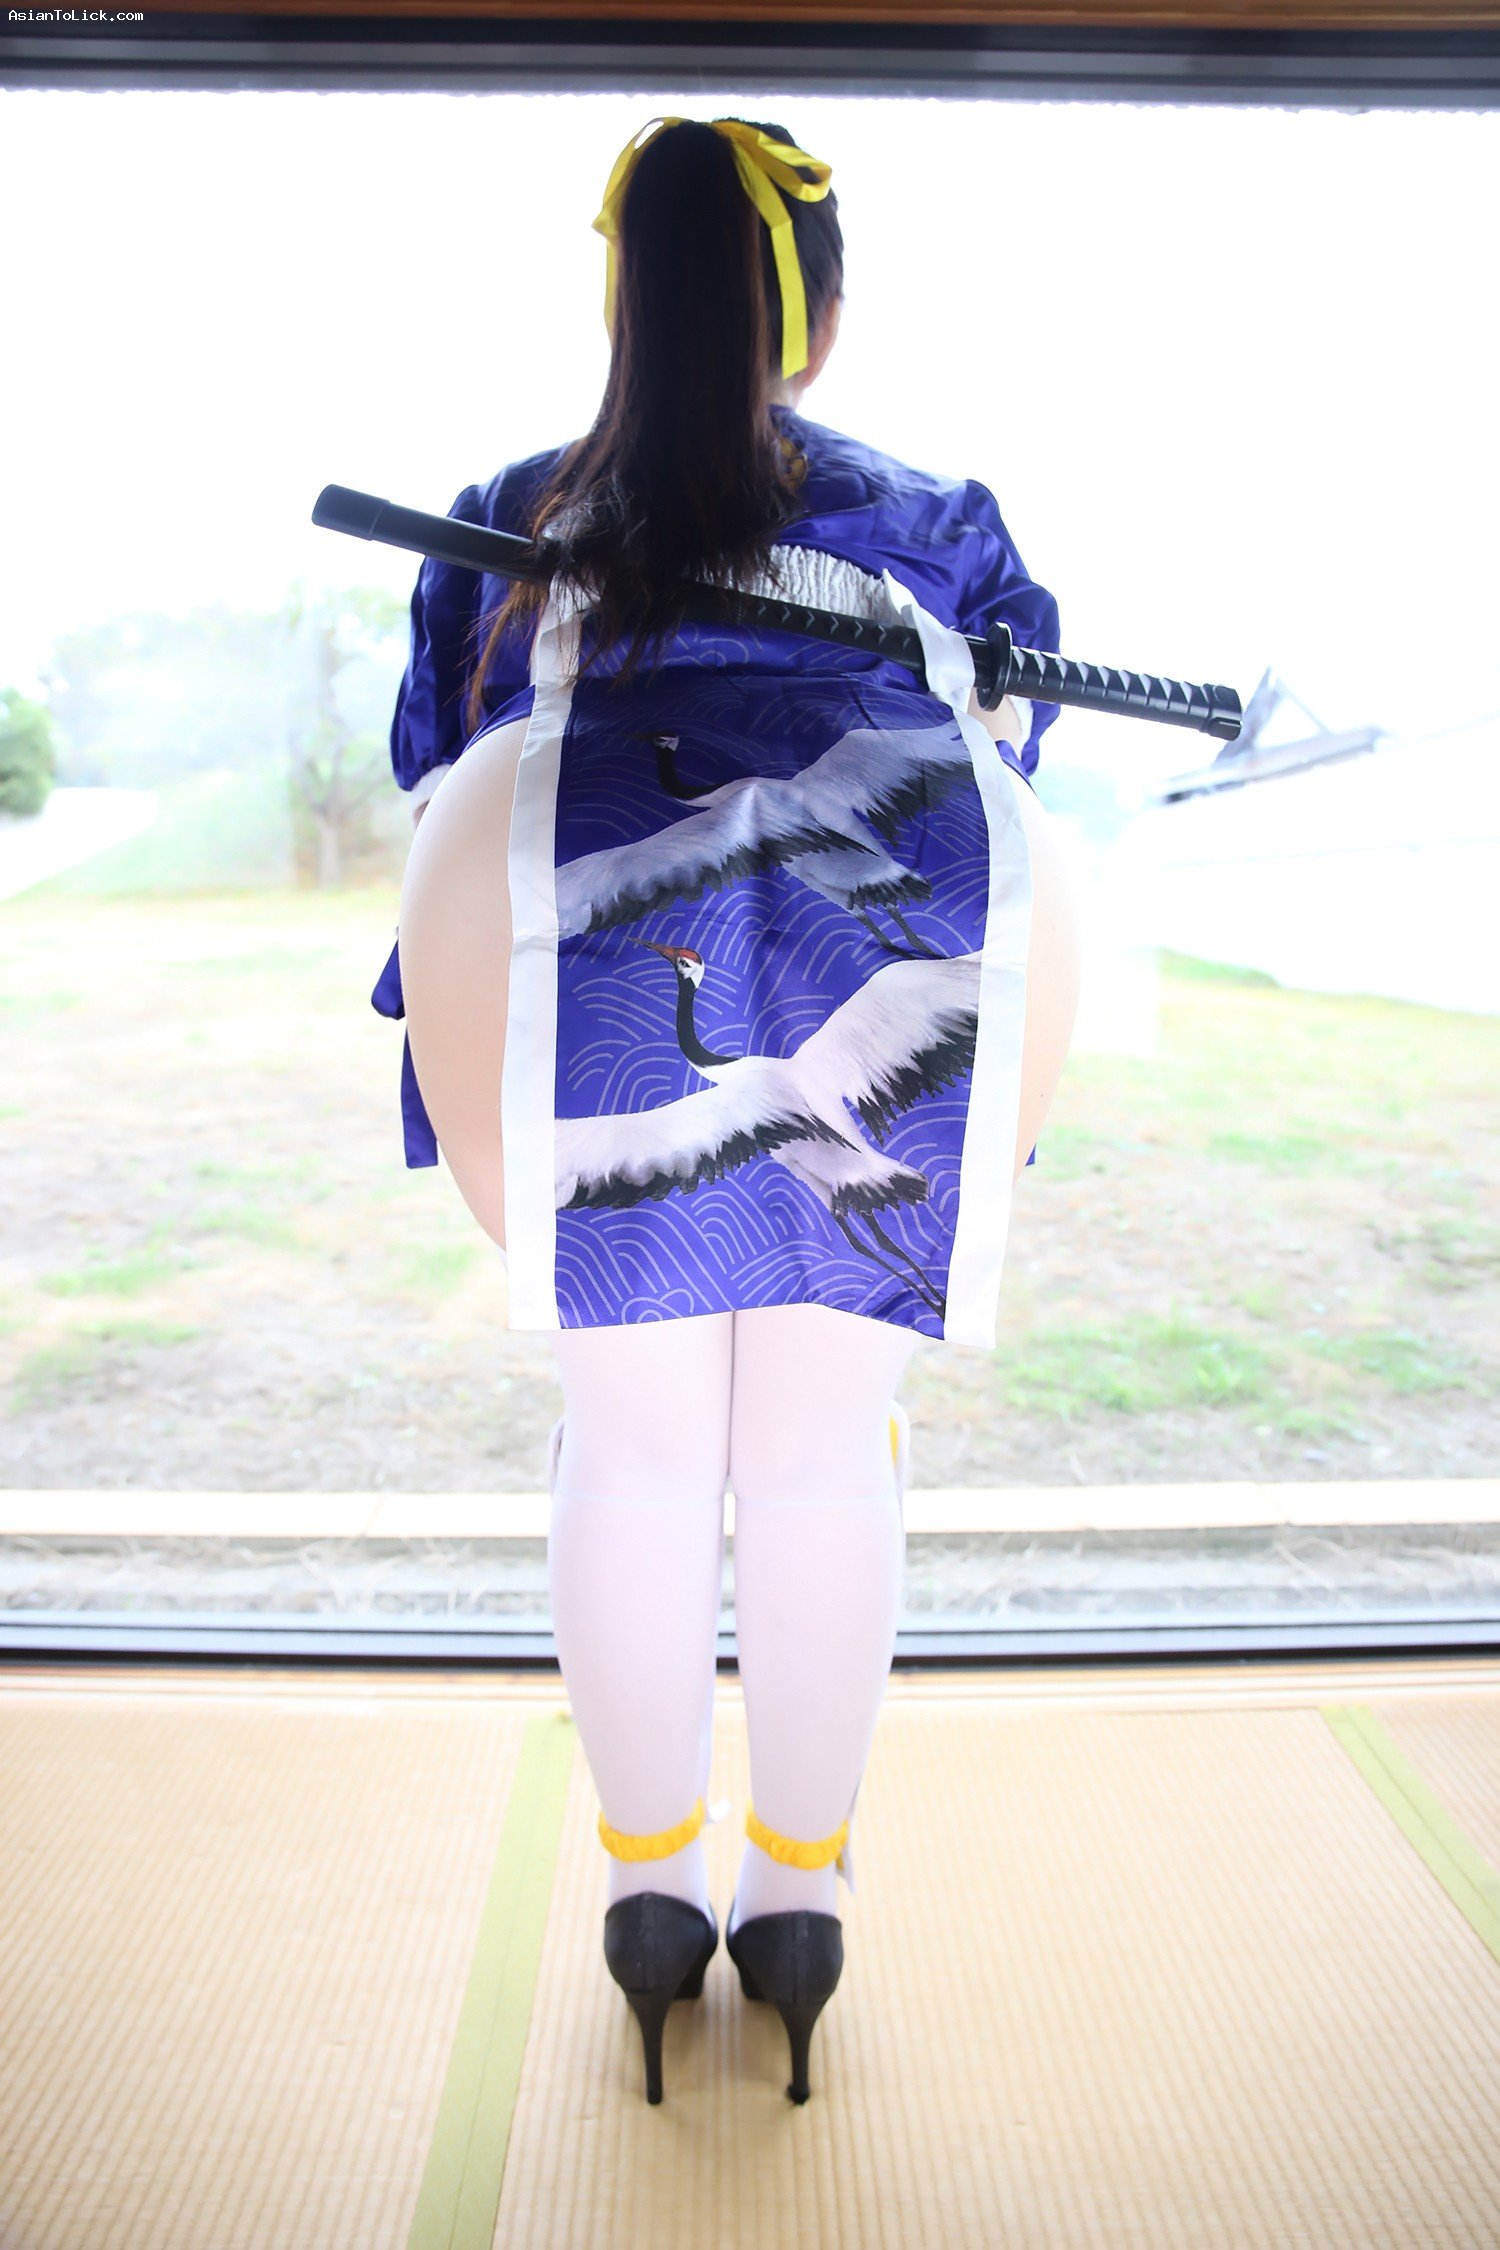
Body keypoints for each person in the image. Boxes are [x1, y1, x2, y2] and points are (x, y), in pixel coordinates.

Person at [377, 114, 1084, 2106]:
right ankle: (795, 1901)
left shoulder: (501, 519)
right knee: (822, 1454)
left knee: (631, 1448)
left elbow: (438, 747)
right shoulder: (939, 521)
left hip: (567, 910)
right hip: (899, 913)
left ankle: (646, 1892)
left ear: (629, 299)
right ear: (819, 321)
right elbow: (1016, 726)